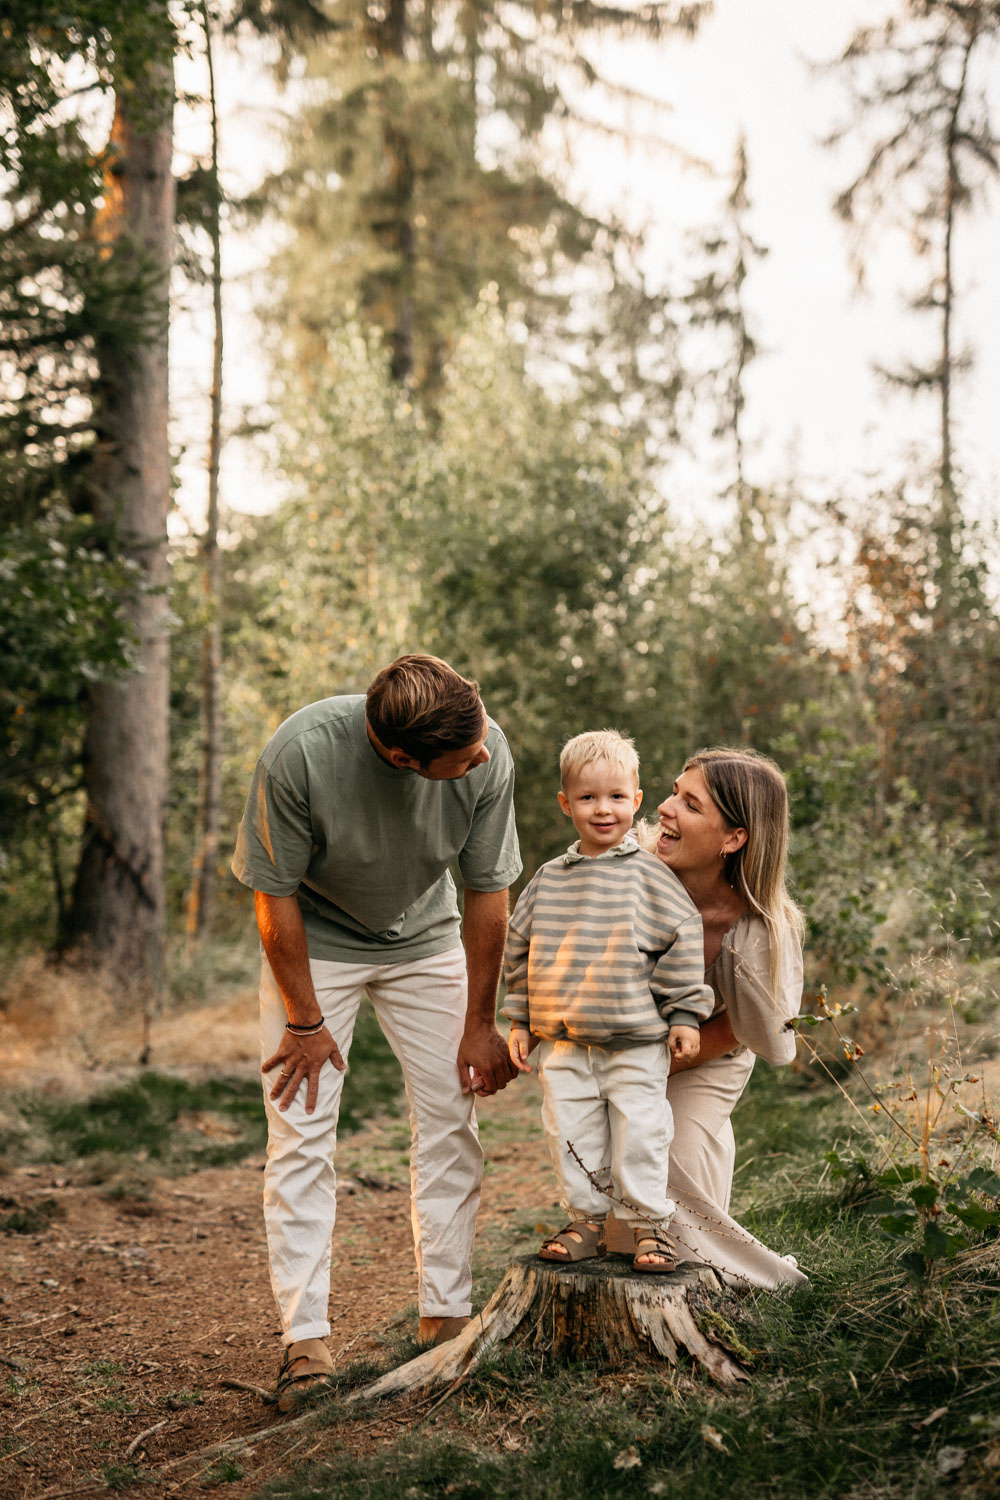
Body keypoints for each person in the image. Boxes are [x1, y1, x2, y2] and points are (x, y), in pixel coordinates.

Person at [231, 654, 522, 1410]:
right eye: (464, 759)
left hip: (427, 941)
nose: (485, 755)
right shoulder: (299, 756)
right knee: (299, 1130)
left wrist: (479, 1023)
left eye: (481, 736)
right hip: (316, 947)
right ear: (402, 758)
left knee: (450, 1120)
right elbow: (275, 892)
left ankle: (445, 1317)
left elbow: (490, 891)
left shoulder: (485, 746)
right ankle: (305, 1340)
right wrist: (303, 1019)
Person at [502, 731, 715, 1273]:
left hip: (636, 1044)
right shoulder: (548, 880)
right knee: (570, 1133)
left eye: (617, 797)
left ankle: (649, 1229)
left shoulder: (652, 878)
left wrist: (685, 1014)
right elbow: (520, 948)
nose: (604, 810)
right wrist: (520, 1019)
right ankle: (586, 1224)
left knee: (641, 1134)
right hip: (565, 1043)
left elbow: (681, 941)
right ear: (565, 803)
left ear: (637, 800)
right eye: (588, 798)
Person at [602, 746, 808, 1288]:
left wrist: (657, 1071)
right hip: (625, 1043)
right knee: (610, 1148)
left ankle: (738, 1279)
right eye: (674, 791)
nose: (665, 808)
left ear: (733, 838)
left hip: (713, 1049)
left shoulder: (759, 928)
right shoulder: (626, 870)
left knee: (673, 1150)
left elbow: (752, 1031)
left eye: (690, 804)